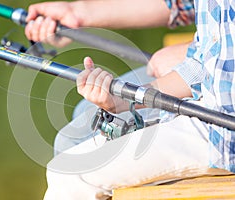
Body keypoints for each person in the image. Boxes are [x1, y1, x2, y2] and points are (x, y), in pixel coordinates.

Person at [35, 0, 235, 199]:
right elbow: (201, 67)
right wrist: (121, 100)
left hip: (222, 135)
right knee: (77, 141)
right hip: (208, 112)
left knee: (70, 172)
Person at [25, 0, 195, 155]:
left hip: (210, 73)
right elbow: (181, 4)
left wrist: (187, 53)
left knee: (71, 141)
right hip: (198, 59)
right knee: (84, 110)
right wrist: (75, 13)